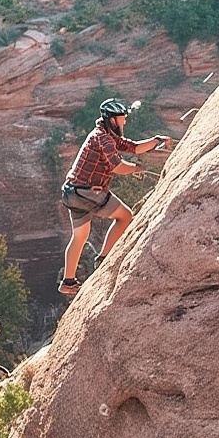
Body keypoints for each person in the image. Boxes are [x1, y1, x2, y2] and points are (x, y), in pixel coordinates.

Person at [58, 98, 173, 296]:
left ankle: (68, 282)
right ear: (112, 120)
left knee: (80, 236)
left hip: (72, 192)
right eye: (122, 118)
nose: (125, 122)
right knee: (125, 216)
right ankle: (103, 260)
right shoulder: (103, 139)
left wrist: (155, 141)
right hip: (88, 191)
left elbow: (133, 147)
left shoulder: (106, 135)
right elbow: (118, 166)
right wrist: (137, 168)